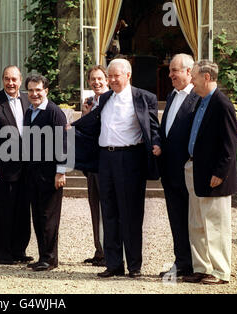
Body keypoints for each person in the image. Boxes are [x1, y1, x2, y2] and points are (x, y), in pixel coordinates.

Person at [72, 59, 161, 278]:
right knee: (109, 212)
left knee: (130, 214)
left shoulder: (143, 97)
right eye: (109, 76)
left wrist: (157, 144)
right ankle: (113, 264)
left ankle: (134, 266)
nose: (110, 80)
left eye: (115, 76)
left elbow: (153, 126)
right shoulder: (106, 98)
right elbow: (93, 121)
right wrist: (70, 127)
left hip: (130, 159)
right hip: (105, 159)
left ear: (128, 75)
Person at [182, 60, 237, 285]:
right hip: (195, 169)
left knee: (216, 225)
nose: (191, 80)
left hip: (214, 176)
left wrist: (220, 173)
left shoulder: (222, 104)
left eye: (194, 76)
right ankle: (202, 267)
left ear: (206, 77)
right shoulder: (201, 101)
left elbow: (229, 144)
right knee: (196, 223)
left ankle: (220, 271)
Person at [0, 65, 32, 265]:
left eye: (14, 79)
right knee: (3, 212)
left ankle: (19, 250)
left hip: (26, 168)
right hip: (2, 168)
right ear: (2, 80)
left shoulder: (28, 100)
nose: (11, 83)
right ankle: (3, 254)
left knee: (22, 211)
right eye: (7, 79)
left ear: (20, 81)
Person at [158, 54, 200, 278]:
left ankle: (197, 265)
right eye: (171, 70)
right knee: (177, 220)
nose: (170, 74)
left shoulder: (198, 98)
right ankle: (182, 263)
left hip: (189, 171)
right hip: (170, 172)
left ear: (189, 71)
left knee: (194, 220)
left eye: (175, 70)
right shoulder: (172, 95)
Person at [23, 75, 67, 271]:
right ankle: (44, 256)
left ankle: (50, 259)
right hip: (33, 173)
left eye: (38, 90)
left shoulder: (54, 113)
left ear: (46, 91)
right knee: (38, 216)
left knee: (49, 217)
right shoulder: (29, 112)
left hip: (50, 174)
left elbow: (63, 143)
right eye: (31, 90)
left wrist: (61, 172)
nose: (34, 94)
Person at [81, 66, 109, 267]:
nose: (96, 82)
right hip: (92, 164)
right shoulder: (90, 103)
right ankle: (99, 250)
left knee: (108, 209)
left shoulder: (111, 100)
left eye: (100, 78)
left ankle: (110, 251)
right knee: (94, 208)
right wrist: (85, 115)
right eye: (93, 79)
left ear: (106, 80)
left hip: (107, 163)